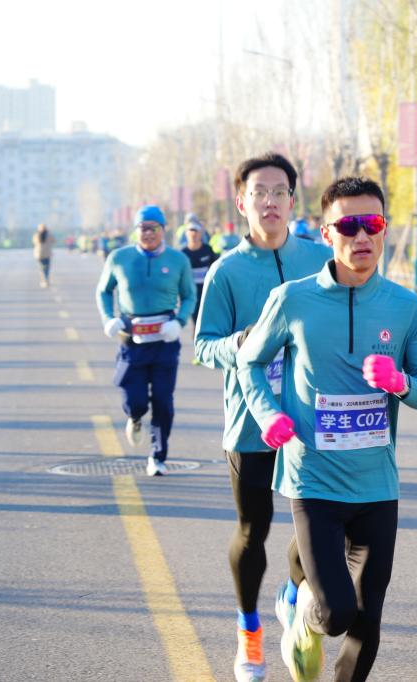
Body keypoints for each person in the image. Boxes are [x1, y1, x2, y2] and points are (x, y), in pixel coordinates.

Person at [237, 176, 417, 682]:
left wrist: (400, 383)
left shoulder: (406, 306)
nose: (362, 236)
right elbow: (249, 361)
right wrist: (268, 415)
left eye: (372, 223)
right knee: (335, 614)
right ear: (327, 233)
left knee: (367, 617)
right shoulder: (293, 299)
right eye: (348, 226)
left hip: (377, 484)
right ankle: (305, 613)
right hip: (313, 479)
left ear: (384, 229)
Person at [195, 152, 332, 682]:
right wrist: (240, 342)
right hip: (251, 424)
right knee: (254, 531)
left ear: (293, 201)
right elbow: (203, 347)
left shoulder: (320, 258)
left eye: (279, 192)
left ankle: (293, 592)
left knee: (321, 527)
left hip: (314, 420)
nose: (270, 201)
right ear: (241, 202)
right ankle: (249, 631)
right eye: (259, 192)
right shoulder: (226, 271)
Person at [95, 205, 195, 477]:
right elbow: (104, 291)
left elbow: (189, 295)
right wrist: (109, 318)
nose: (148, 233)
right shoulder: (119, 258)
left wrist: (179, 322)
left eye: (154, 228)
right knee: (134, 399)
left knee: (163, 400)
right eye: (143, 228)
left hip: (165, 339)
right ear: (135, 230)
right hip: (132, 339)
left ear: (163, 230)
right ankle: (135, 417)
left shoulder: (178, 260)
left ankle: (158, 456)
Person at [182, 223, 218, 328]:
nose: (193, 234)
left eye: (196, 231)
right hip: (191, 293)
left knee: (207, 320)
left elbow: (216, 268)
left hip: (207, 291)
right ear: (186, 234)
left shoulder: (208, 249)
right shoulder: (183, 253)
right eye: (191, 231)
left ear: (200, 233)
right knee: (196, 321)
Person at [32, 224, 56, 288]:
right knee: (46, 267)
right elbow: (54, 241)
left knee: (42, 267)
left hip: (39, 254)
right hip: (47, 253)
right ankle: (46, 279)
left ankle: (44, 280)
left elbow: (34, 243)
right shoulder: (49, 235)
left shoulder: (36, 235)